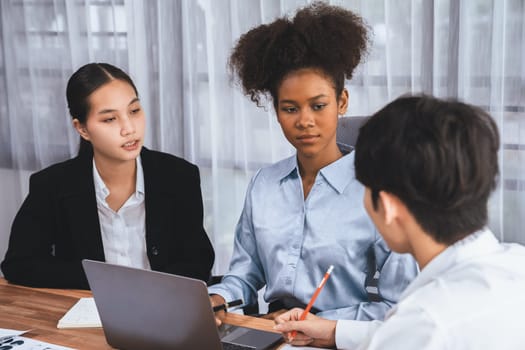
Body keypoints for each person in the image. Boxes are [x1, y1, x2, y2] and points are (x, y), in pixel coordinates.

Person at [208, 2, 418, 325]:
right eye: (290, 109)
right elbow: (244, 275)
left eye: (318, 106)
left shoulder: (377, 190)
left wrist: (319, 324)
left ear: (341, 102)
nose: (305, 121)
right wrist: (220, 299)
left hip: (338, 340)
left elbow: (397, 304)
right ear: (276, 111)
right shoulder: (264, 184)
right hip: (272, 333)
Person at [274, 95, 525, 349]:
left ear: (388, 206)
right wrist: (335, 331)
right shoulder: (517, 264)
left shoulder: (425, 322)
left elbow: (413, 333)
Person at [1, 63, 215, 289]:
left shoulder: (179, 176)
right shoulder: (52, 185)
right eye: (110, 119)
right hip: (89, 312)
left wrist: (147, 288)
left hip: (162, 310)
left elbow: (198, 262)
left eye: (134, 111)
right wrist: (105, 281)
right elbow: (20, 264)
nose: (129, 129)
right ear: (82, 129)